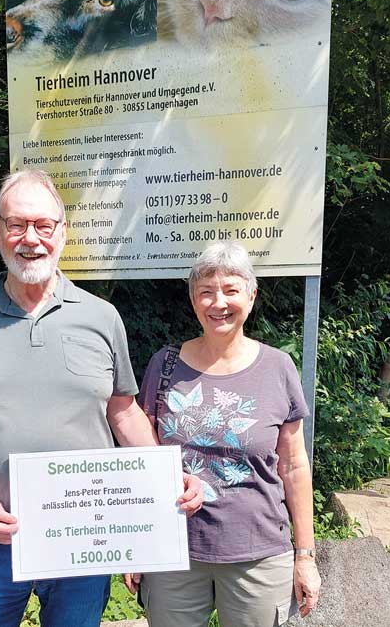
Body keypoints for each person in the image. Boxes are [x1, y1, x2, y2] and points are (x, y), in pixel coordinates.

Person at [0, 168, 203, 627]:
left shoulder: (101, 318)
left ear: (62, 233)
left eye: (43, 225)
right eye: (17, 224)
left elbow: (123, 412)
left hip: (83, 541)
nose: (30, 238)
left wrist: (166, 478)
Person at [126, 241, 321, 627]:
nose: (219, 303)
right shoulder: (164, 366)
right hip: (173, 550)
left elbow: (294, 466)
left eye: (231, 290)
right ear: (193, 299)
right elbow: (142, 460)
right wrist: (138, 544)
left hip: (258, 553)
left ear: (251, 295)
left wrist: (305, 555)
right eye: (206, 292)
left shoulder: (278, 367)